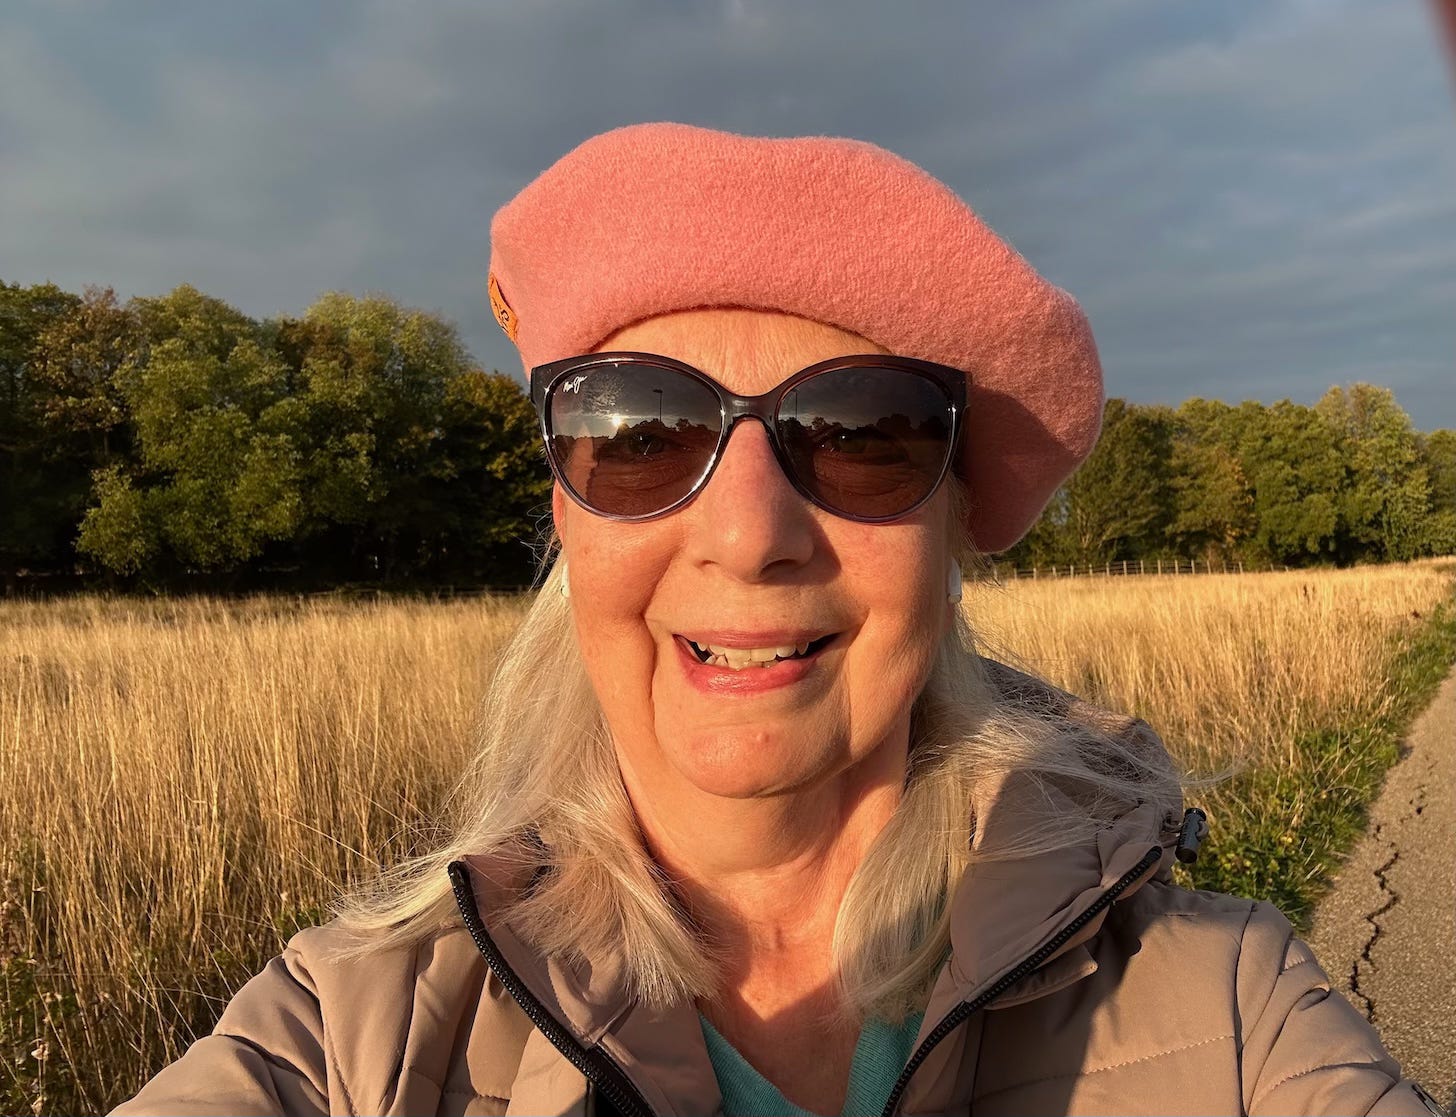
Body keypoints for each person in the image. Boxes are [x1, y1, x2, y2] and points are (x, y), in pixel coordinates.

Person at [114, 123, 1440, 1117]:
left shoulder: (1231, 1011)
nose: (749, 532)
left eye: (860, 434)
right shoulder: (352, 1039)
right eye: (643, 433)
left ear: (950, 533)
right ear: (567, 514)